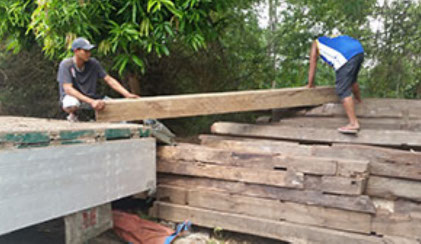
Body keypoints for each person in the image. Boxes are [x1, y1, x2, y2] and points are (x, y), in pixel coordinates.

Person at [57, 37, 139, 122]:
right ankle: (73, 115)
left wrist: (127, 94)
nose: (88, 54)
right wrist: (91, 101)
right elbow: (68, 89)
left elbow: (108, 79)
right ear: (76, 51)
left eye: (89, 51)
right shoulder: (66, 64)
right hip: (75, 98)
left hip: (92, 97)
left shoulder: (93, 63)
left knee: (115, 107)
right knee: (71, 103)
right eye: (85, 51)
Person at [307, 35, 364, 134]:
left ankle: (353, 123)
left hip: (345, 56)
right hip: (358, 50)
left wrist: (310, 84)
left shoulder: (316, 44)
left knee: (342, 89)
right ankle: (359, 101)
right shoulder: (331, 40)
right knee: (352, 80)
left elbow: (313, 63)